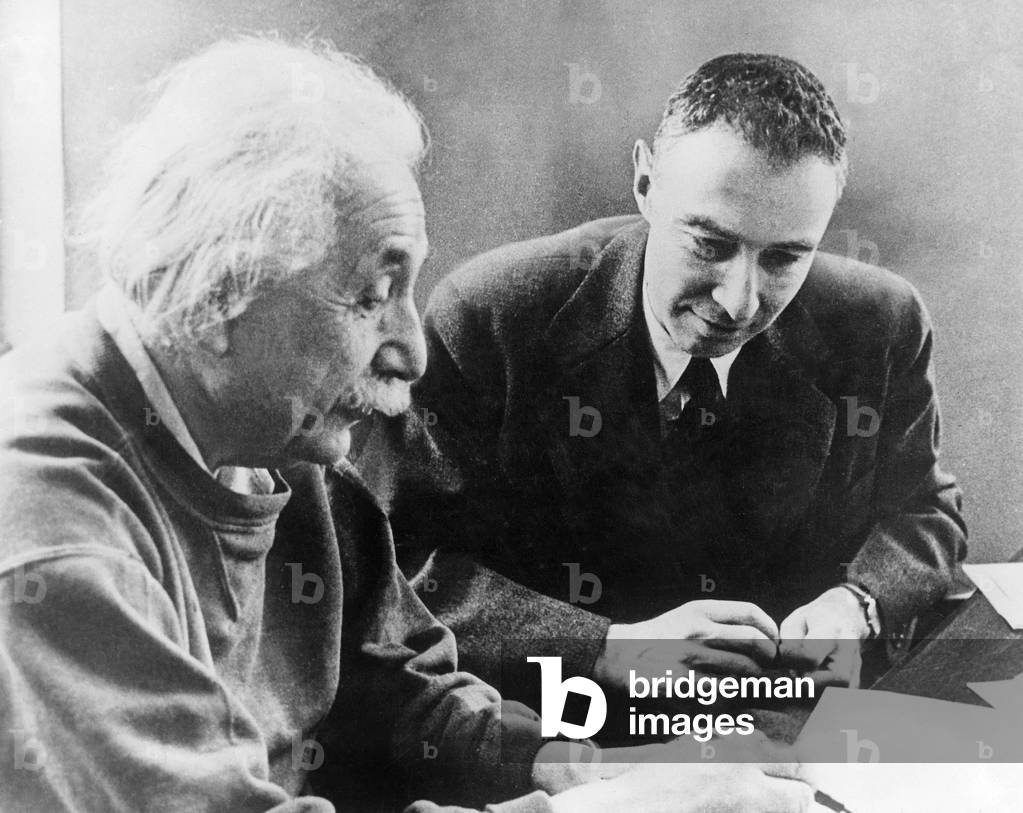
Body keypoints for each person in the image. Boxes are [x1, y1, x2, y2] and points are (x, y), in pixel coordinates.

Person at [0, 38, 816, 813]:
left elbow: (404, 689)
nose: (412, 351)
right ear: (220, 292)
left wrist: (603, 770)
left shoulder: (278, 444)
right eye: (368, 295)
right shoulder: (48, 524)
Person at [356, 53, 967, 707]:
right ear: (644, 182)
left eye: (785, 258)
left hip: (791, 726)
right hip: (554, 726)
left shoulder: (879, 322)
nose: (737, 301)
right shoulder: (491, 316)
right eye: (709, 243)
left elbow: (924, 511)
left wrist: (858, 606)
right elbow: (404, 565)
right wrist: (605, 645)